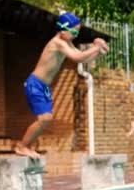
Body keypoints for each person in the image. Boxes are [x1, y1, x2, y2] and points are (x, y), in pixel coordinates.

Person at [15, 12, 109, 158]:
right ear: (63, 29)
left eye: (78, 32)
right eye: (74, 32)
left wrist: (98, 51)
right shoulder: (57, 43)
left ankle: (27, 146)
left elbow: (81, 59)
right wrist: (96, 47)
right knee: (44, 118)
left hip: (43, 87)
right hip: (35, 84)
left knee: (46, 119)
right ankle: (21, 146)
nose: (76, 35)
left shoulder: (67, 42)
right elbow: (78, 56)